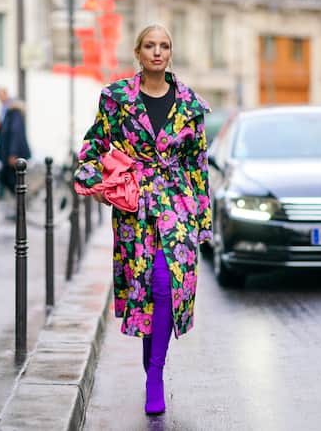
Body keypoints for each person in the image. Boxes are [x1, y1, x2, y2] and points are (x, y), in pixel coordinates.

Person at [74, 24, 213, 415]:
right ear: (138, 52)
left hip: (179, 206)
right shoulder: (116, 98)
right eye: (150, 46)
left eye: (164, 46)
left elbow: (198, 165)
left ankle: (155, 373)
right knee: (146, 290)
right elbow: (92, 147)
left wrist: (203, 220)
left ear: (170, 53)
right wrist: (95, 184)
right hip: (135, 209)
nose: (157, 52)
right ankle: (149, 364)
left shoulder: (190, 104)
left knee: (167, 286)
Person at [0, 87, 31, 195]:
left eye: (1, 94)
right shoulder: (5, 110)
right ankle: (18, 204)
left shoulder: (13, 111)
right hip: (7, 152)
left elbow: (15, 133)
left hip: (12, 154)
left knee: (11, 179)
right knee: (7, 178)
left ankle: (20, 205)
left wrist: (13, 153)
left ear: (6, 94)